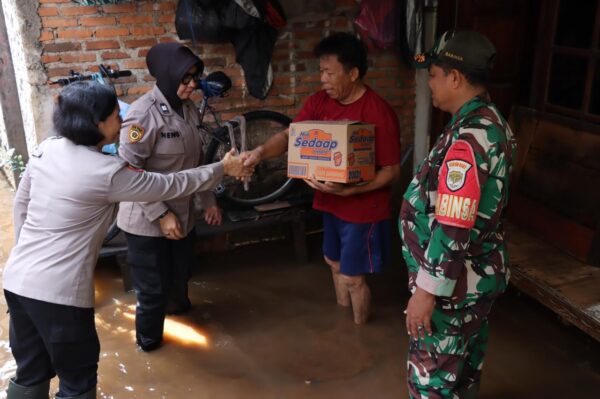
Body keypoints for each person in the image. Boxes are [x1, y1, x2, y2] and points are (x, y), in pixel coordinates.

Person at [2, 81, 250, 399]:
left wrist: (26, 261)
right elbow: (171, 185)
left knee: (30, 373)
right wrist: (222, 167)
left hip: (18, 283)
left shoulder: (46, 149)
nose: (122, 122)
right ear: (97, 123)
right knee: (77, 383)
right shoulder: (107, 172)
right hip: (60, 296)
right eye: (115, 116)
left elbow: (21, 206)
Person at [242, 32, 401, 324]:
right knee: (333, 262)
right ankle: (342, 323)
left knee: (354, 277)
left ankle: (359, 334)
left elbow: (392, 170)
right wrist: (260, 153)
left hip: (362, 209)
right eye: (320, 72)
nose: (323, 80)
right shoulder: (319, 103)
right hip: (329, 202)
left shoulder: (379, 112)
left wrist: (351, 192)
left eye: (329, 73)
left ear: (353, 73)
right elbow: (291, 136)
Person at [399, 30, 517, 398]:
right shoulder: (488, 121)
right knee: (463, 374)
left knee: (431, 381)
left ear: (455, 78)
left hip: (453, 288)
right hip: (474, 278)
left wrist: (426, 292)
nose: (429, 84)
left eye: (433, 75)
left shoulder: (468, 138)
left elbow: (453, 222)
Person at [116, 43, 221, 351]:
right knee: (151, 291)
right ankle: (149, 347)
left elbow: (197, 163)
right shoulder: (141, 117)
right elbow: (128, 170)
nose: (192, 85)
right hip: (146, 221)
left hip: (183, 215)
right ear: (165, 75)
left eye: (195, 78)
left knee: (182, 275)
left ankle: (181, 320)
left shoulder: (187, 108)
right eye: (185, 78)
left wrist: (209, 202)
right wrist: (161, 215)